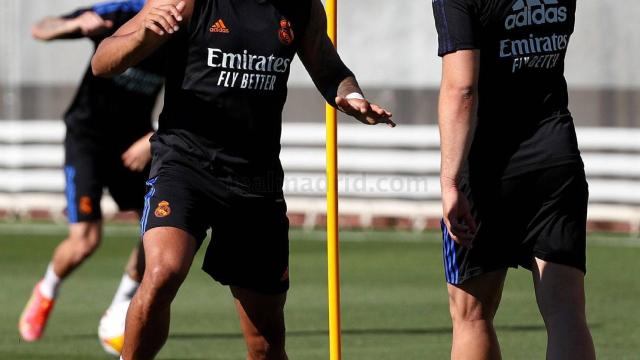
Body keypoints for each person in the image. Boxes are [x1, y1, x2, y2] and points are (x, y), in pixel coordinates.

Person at [91, 0, 394, 358]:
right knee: (162, 273)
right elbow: (102, 63)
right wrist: (142, 33)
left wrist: (351, 96)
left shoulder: (302, 7)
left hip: (256, 181)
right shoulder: (190, 2)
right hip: (185, 165)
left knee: (264, 344)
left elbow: (328, 65)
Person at [432, 0, 595, 359]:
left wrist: (450, 182)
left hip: (487, 167)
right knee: (566, 313)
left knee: (471, 316)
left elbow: (462, 90)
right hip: (556, 156)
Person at [19, 0, 165, 345]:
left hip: (135, 146)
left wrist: (151, 138)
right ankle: (47, 289)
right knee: (85, 241)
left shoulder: (184, 28)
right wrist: (76, 25)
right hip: (87, 138)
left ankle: (119, 310)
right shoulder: (122, 11)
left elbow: (192, 97)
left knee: (156, 231)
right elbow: (41, 29)